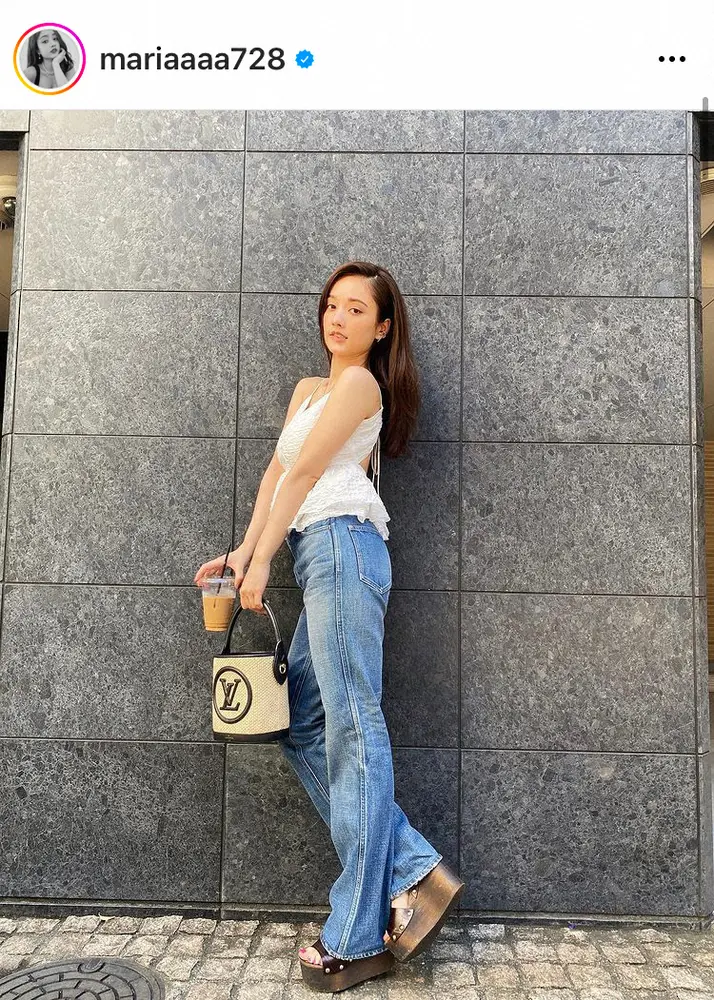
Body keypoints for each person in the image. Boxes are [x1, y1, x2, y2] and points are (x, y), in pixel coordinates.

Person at [195, 260, 464, 992]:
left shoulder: (360, 386)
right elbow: (274, 477)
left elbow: (310, 472)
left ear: (381, 327)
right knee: (301, 723)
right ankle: (411, 869)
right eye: (332, 305)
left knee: (351, 720)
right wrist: (242, 552)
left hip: (344, 544)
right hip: (317, 552)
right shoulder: (308, 389)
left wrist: (261, 565)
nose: (338, 319)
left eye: (356, 310)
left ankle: (355, 934)